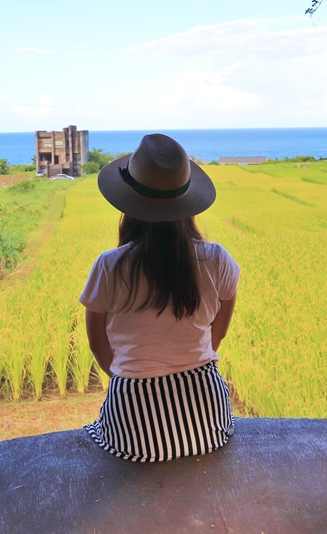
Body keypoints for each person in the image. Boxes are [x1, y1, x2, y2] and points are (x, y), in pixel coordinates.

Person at [80, 134, 239, 462]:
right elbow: (217, 335)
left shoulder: (109, 265)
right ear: (187, 201)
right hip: (207, 418)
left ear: (128, 204)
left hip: (133, 419)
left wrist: (133, 378)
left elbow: (98, 344)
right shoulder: (217, 259)